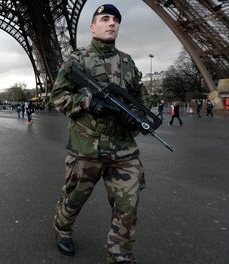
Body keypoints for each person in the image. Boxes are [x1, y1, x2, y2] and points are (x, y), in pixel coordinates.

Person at [49, 4, 150, 263]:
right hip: (86, 149)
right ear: (93, 27)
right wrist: (87, 102)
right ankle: (63, 228)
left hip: (123, 150)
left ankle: (121, 257)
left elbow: (141, 97)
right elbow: (58, 97)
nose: (112, 23)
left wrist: (137, 115)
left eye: (116, 19)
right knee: (74, 199)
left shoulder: (128, 63)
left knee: (127, 209)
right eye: (105, 18)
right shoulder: (76, 60)